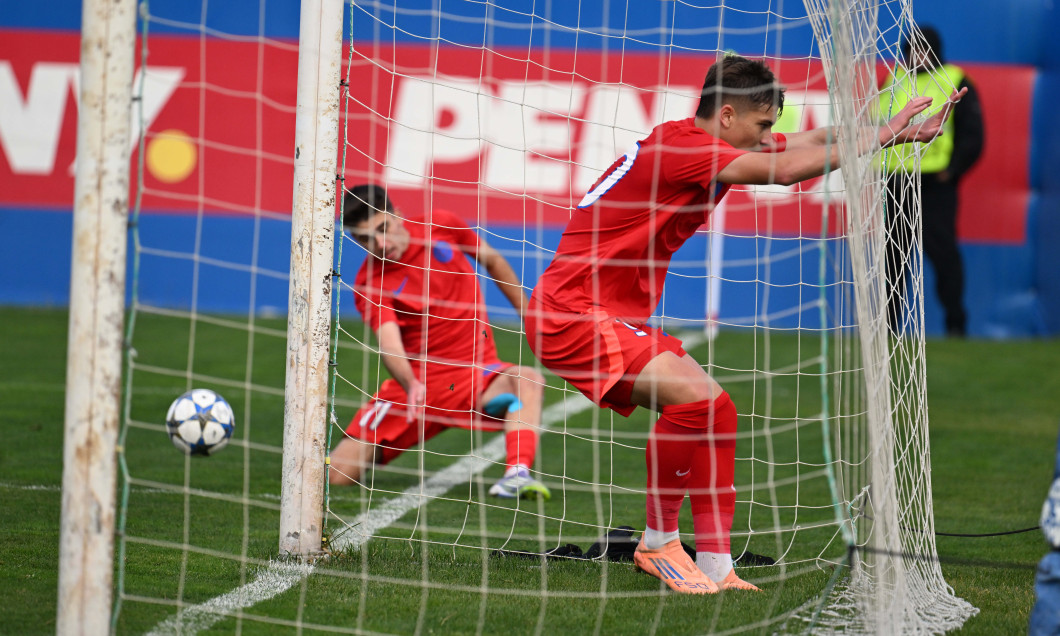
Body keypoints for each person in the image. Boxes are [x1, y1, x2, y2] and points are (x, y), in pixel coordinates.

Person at [526, 54, 964, 594]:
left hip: (595, 313)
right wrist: (881, 139)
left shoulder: (710, 141)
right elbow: (783, 172)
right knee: (697, 402)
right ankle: (659, 543)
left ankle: (714, 562)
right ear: (727, 114)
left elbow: (804, 143)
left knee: (719, 410)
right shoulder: (685, 149)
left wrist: (891, 131)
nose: (767, 136)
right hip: (570, 313)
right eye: (761, 125)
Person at [329, 184, 550, 500]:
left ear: (397, 215)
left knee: (528, 379)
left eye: (383, 228)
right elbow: (389, 344)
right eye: (366, 239)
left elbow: (493, 261)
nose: (380, 243)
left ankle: (516, 474)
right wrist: (410, 383)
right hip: (417, 387)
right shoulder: (371, 283)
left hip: (477, 375)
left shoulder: (442, 225)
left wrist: (529, 317)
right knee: (336, 477)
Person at [881, 26, 985, 336]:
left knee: (943, 256)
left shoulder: (955, 79)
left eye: (924, 49)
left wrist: (951, 172)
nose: (918, 56)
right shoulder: (894, 80)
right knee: (892, 258)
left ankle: (955, 325)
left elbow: (972, 135)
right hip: (897, 183)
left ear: (936, 50)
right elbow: (878, 127)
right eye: (912, 50)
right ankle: (888, 330)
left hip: (935, 185)